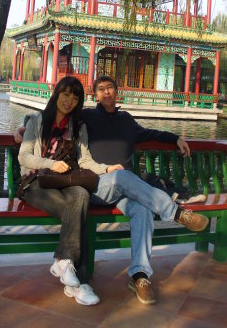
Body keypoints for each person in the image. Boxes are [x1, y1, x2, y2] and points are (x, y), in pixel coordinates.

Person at [77, 75, 209, 305]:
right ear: (95, 94)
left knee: (143, 211)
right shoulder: (86, 116)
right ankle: (177, 213)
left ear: (117, 91)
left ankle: (140, 276)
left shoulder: (126, 120)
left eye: (110, 88)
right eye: (101, 89)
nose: (106, 92)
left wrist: (175, 138)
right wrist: (24, 127)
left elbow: (150, 133)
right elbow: (53, 116)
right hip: (99, 186)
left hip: (125, 191)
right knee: (120, 175)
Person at [18, 76, 99, 306]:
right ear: (56, 94)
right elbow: (23, 157)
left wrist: (107, 168)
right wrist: (50, 164)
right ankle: (79, 282)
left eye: (75, 97)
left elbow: (86, 160)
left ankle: (64, 264)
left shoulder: (78, 127)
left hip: (64, 182)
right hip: (34, 183)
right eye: (65, 94)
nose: (69, 100)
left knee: (81, 196)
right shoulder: (37, 121)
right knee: (77, 213)